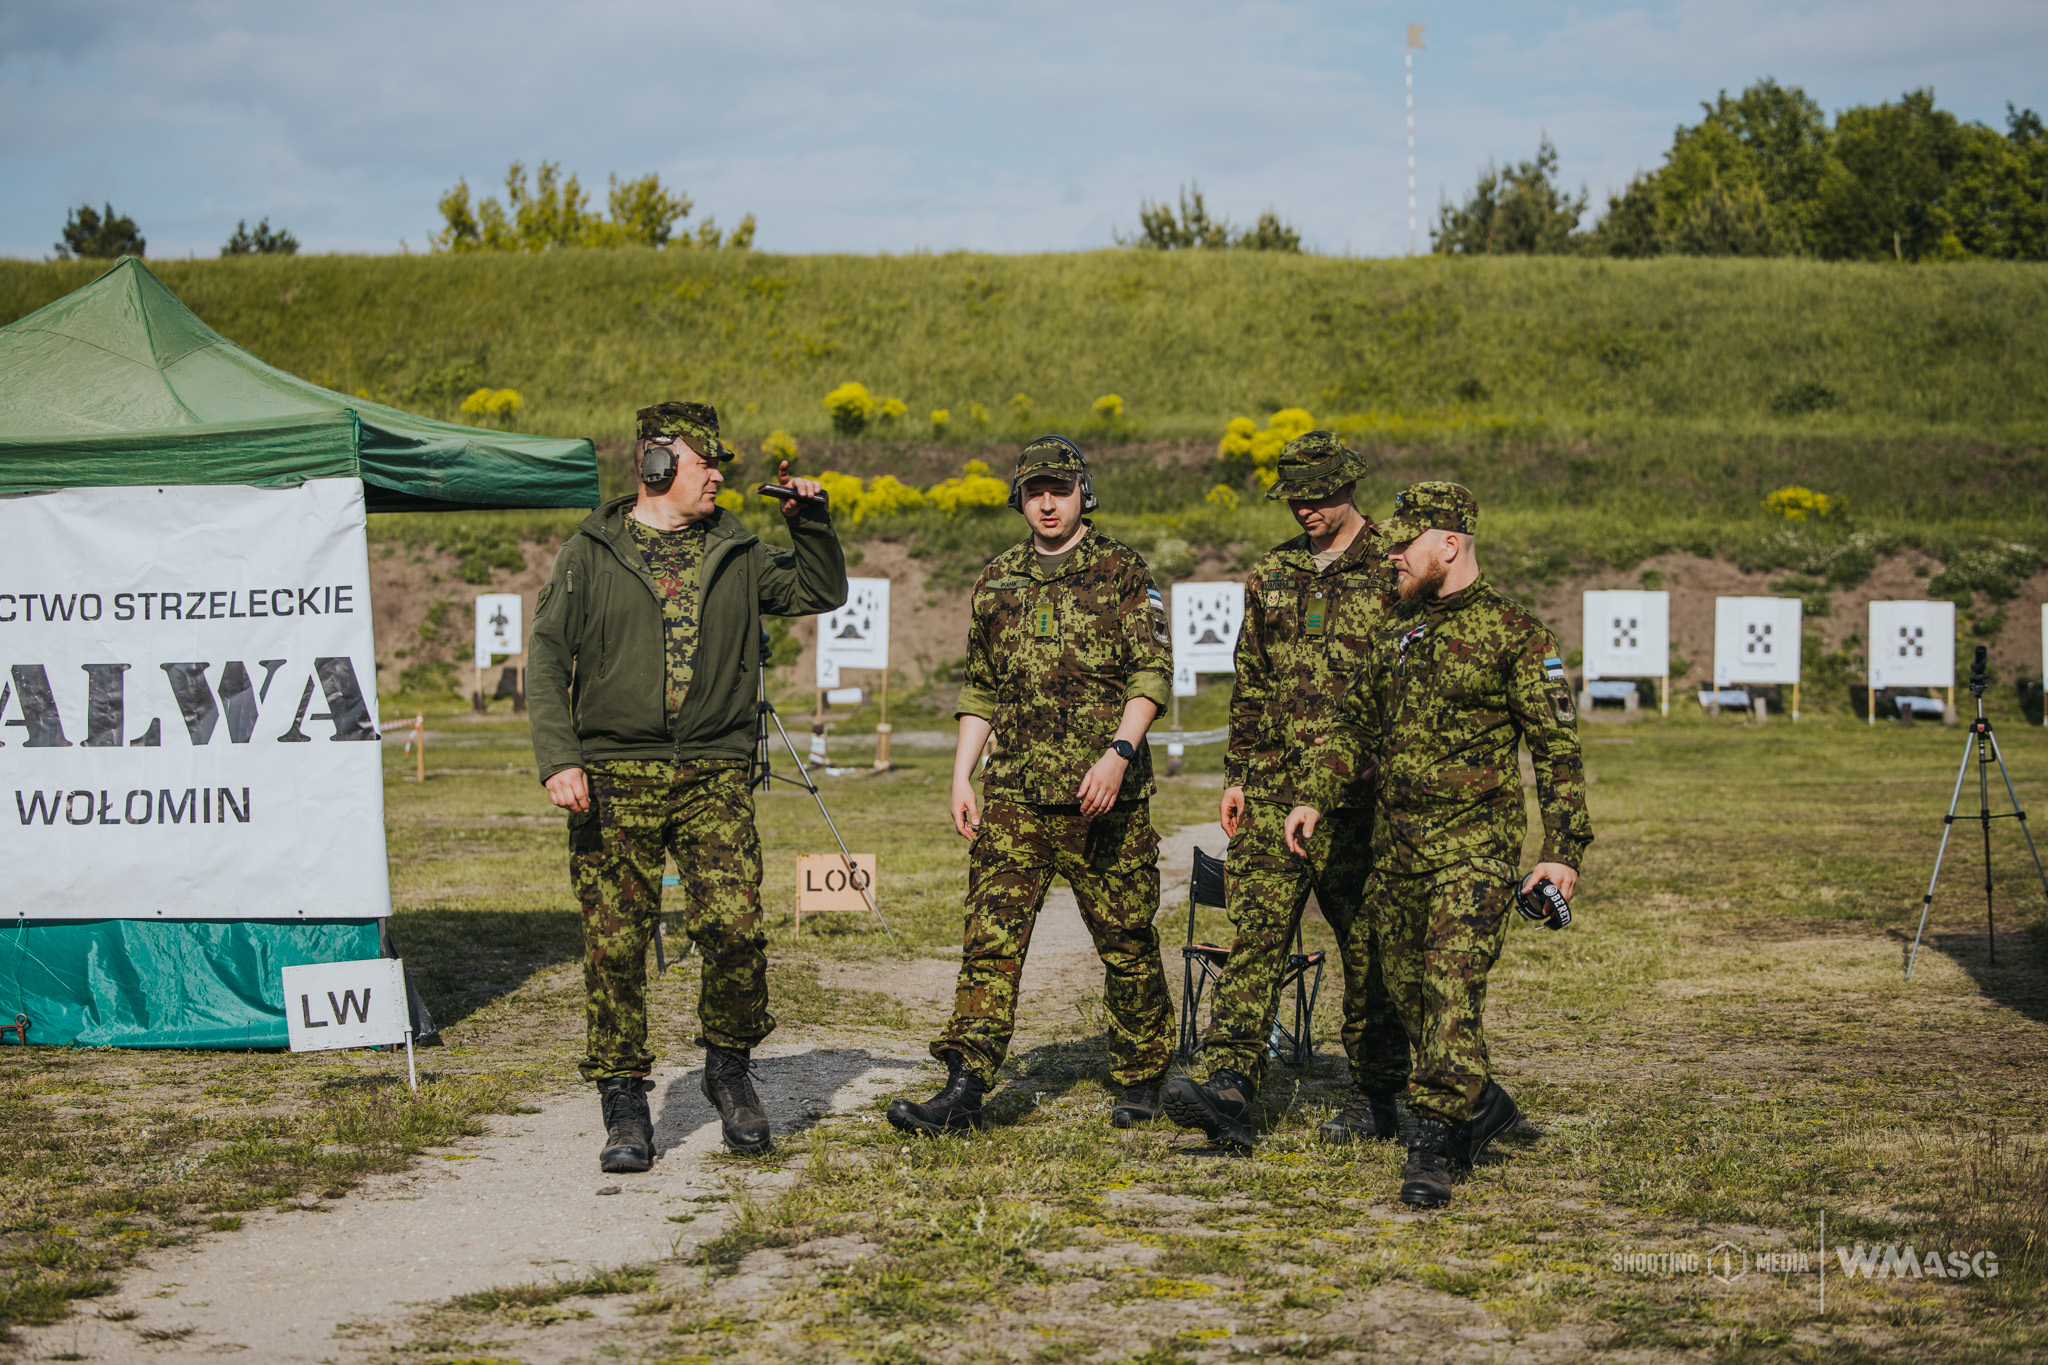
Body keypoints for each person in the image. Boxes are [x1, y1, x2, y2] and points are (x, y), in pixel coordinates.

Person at [528, 401, 846, 1171]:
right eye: (707, 464)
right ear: (658, 464)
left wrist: (811, 521)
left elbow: (819, 589)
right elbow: (545, 655)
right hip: (611, 773)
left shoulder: (734, 549)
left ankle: (730, 1071)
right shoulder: (591, 550)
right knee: (616, 942)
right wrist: (558, 757)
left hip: (713, 770)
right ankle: (624, 1100)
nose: (718, 478)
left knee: (736, 928)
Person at [1284, 481, 1591, 1207]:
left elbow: (1557, 749)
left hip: (1474, 853)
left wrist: (1563, 848)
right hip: (1398, 854)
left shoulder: (1519, 637)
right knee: (1413, 996)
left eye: (1403, 542)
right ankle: (1483, 1106)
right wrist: (1314, 795)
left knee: (1451, 990)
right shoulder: (1397, 632)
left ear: (1448, 544)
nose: (1389, 552)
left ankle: (1433, 1146)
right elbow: (1353, 729)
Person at [888, 436, 1176, 1135]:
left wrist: (1116, 754)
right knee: (991, 941)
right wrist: (962, 772)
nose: (1047, 502)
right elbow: (981, 685)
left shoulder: (1121, 571)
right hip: (1014, 794)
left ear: (1084, 492)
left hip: (1102, 796)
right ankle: (964, 1084)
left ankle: (1143, 1075)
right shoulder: (998, 580)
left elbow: (1150, 674)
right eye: (1034, 490)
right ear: (1020, 497)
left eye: (1061, 488)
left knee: (1127, 939)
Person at [1161, 431, 1410, 1150]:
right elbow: (1253, 677)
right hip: (1273, 790)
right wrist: (1238, 771)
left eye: (1317, 496)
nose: (1304, 508)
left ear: (1348, 487)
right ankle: (1231, 1087)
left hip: (1359, 799)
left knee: (1369, 949)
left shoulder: (1395, 566)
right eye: (1295, 497)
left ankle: (1378, 1092)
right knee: (1255, 937)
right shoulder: (1272, 572)